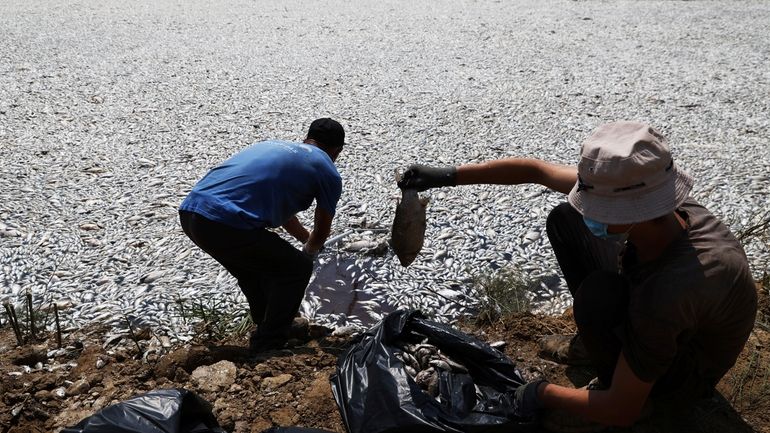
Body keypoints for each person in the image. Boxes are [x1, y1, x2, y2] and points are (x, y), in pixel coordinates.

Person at [398, 121, 757, 428]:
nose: (592, 212)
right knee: (567, 218)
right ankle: (602, 345)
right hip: (668, 319)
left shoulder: (669, 292)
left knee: (597, 296)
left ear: (632, 210)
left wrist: (542, 393)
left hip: (683, 376)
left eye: (600, 209)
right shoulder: (660, 206)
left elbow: (622, 410)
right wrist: (445, 176)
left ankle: (641, 391)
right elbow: (535, 171)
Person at [179, 118, 345, 352]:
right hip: (225, 223)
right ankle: (269, 345)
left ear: (307, 138)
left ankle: (266, 325)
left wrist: (302, 238)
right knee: (296, 269)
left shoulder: (274, 146)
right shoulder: (327, 169)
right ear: (338, 150)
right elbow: (322, 230)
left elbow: (286, 216)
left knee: (253, 272)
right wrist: (308, 252)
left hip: (191, 214)